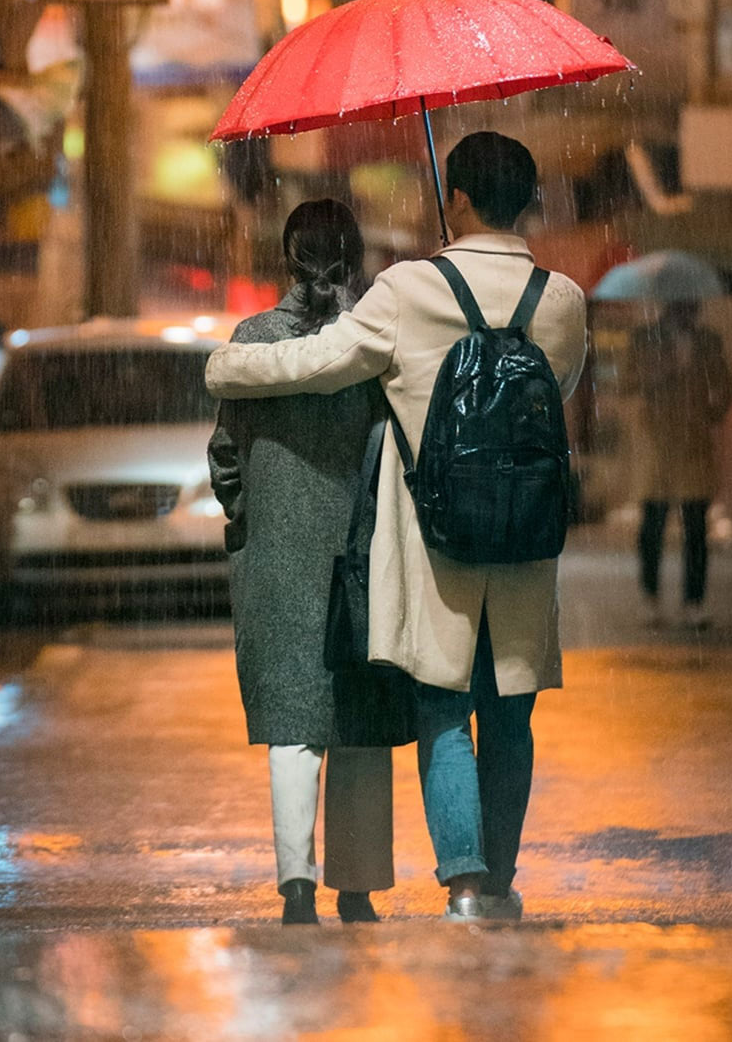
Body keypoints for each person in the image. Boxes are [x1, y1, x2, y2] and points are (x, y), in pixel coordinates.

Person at [206, 134, 587, 922]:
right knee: (510, 709)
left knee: (444, 705)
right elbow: (558, 394)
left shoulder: (411, 288)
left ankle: (466, 884)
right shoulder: (564, 300)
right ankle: (504, 879)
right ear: (525, 200)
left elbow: (319, 360)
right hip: (523, 534)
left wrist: (226, 367)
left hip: (436, 537)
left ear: (458, 201)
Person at [207, 199, 411, 927]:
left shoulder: (253, 339)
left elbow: (225, 455)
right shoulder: (375, 343)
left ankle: (297, 884)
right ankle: (355, 889)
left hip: (275, 554)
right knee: (359, 714)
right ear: (355, 260)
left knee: (294, 717)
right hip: (362, 549)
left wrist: (251, 512)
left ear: (286, 260)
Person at [625, 300, 732, 629]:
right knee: (652, 526)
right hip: (656, 443)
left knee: (696, 528)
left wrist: (711, 415)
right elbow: (629, 381)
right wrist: (664, 369)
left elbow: (728, 385)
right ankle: (650, 597)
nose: (690, 311)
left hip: (693, 444)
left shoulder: (708, 341)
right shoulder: (645, 338)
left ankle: (694, 601)